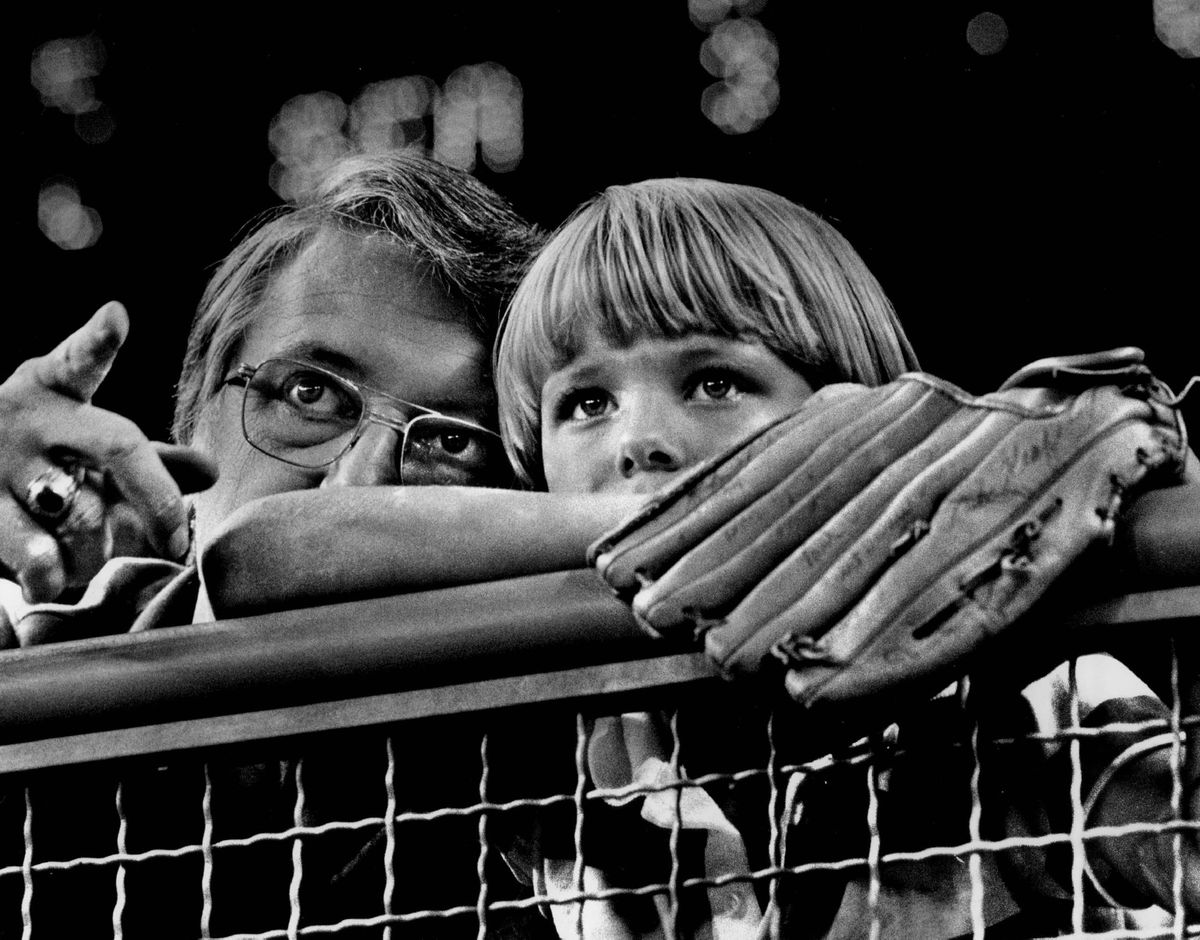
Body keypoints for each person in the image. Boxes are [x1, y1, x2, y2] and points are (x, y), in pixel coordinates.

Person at [483, 177, 1198, 937]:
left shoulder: (1038, 699)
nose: (636, 442)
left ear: (855, 423)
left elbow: (1170, 828)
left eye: (714, 382)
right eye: (586, 403)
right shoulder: (547, 775)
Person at [0, 151, 558, 938]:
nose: (362, 485)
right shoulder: (37, 656)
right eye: (310, 393)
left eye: (451, 442)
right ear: (190, 426)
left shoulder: (569, 802)